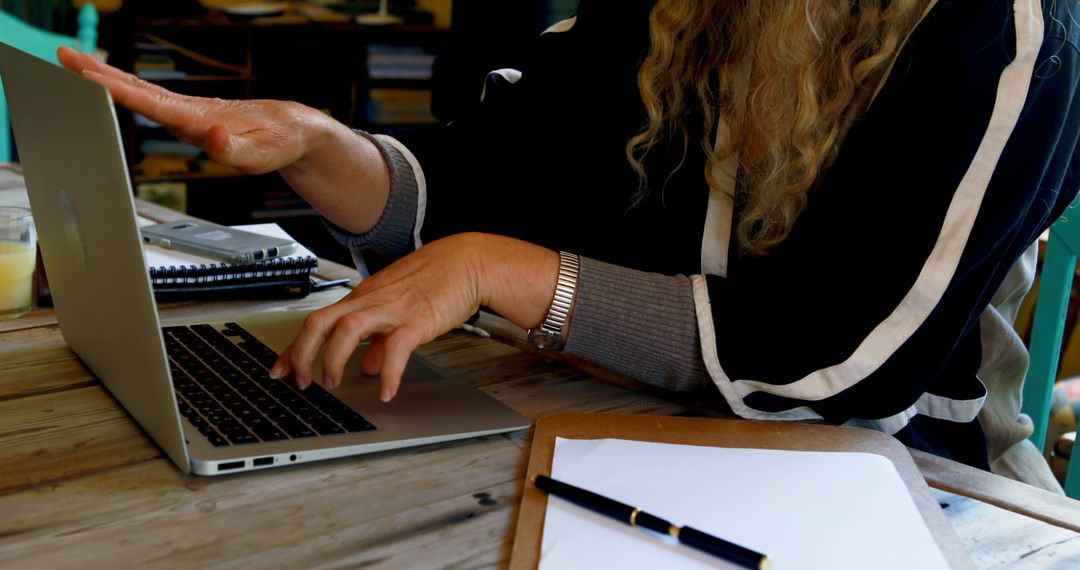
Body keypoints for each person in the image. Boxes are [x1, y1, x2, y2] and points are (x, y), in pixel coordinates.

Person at [59, 0, 1079, 493]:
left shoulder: (1010, 29)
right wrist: (322, 149)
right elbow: (510, 174)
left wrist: (496, 271)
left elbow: (844, 360)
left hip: (902, 484)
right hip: (625, 433)